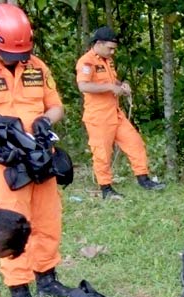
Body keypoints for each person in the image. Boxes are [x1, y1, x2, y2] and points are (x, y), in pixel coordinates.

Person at [0, 4, 74, 297]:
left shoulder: (37, 66)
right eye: (8, 55)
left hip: (40, 157)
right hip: (5, 165)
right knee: (11, 227)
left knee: (47, 220)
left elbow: (56, 106)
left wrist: (45, 121)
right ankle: (20, 292)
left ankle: (48, 278)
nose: (16, 60)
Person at [76, 26, 165, 200]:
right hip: (98, 116)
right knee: (102, 153)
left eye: (113, 49)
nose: (112, 52)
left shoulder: (107, 60)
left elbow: (111, 80)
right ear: (98, 43)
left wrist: (121, 85)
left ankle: (143, 179)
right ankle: (106, 188)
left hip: (115, 112)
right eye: (110, 48)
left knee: (134, 142)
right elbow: (83, 86)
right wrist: (110, 87)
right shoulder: (86, 62)